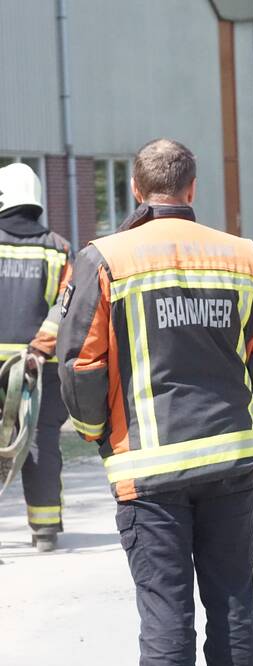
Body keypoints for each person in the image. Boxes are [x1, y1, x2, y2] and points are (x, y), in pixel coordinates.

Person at [57, 139, 253, 666]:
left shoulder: (105, 258)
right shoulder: (242, 255)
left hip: (147, 470)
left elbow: (81, 366)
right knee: (234, 612)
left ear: (136, 190)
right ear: (192, 189)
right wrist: (237, 398)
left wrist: (97, 431)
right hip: (231, 462)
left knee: (166, 622)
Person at [0, 162, 72, 552]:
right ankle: (45, 529)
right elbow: (65, 307)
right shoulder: (58, 249)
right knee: (41, 443)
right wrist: (38, 349)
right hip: (36, 368)